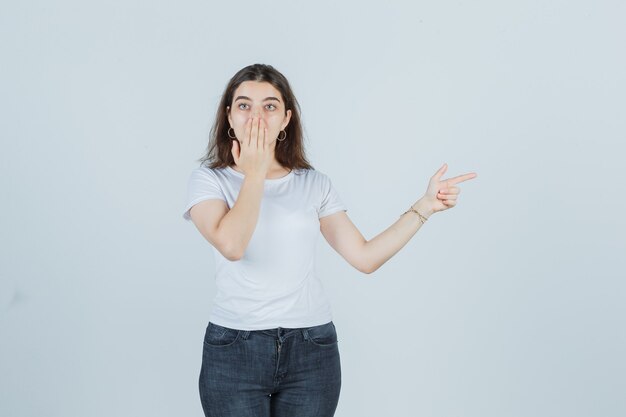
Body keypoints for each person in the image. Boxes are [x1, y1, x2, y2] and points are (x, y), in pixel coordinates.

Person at [183, 63, 477, 417]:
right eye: (244, 105)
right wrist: (256, 171)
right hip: (235, 347)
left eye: (270, 106)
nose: (257, 116)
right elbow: (232, 245)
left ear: (286, 118)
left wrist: (424, 207)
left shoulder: (314, 183)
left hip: (311, 348)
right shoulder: (209, 180)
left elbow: (365, 257)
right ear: (229, 116)